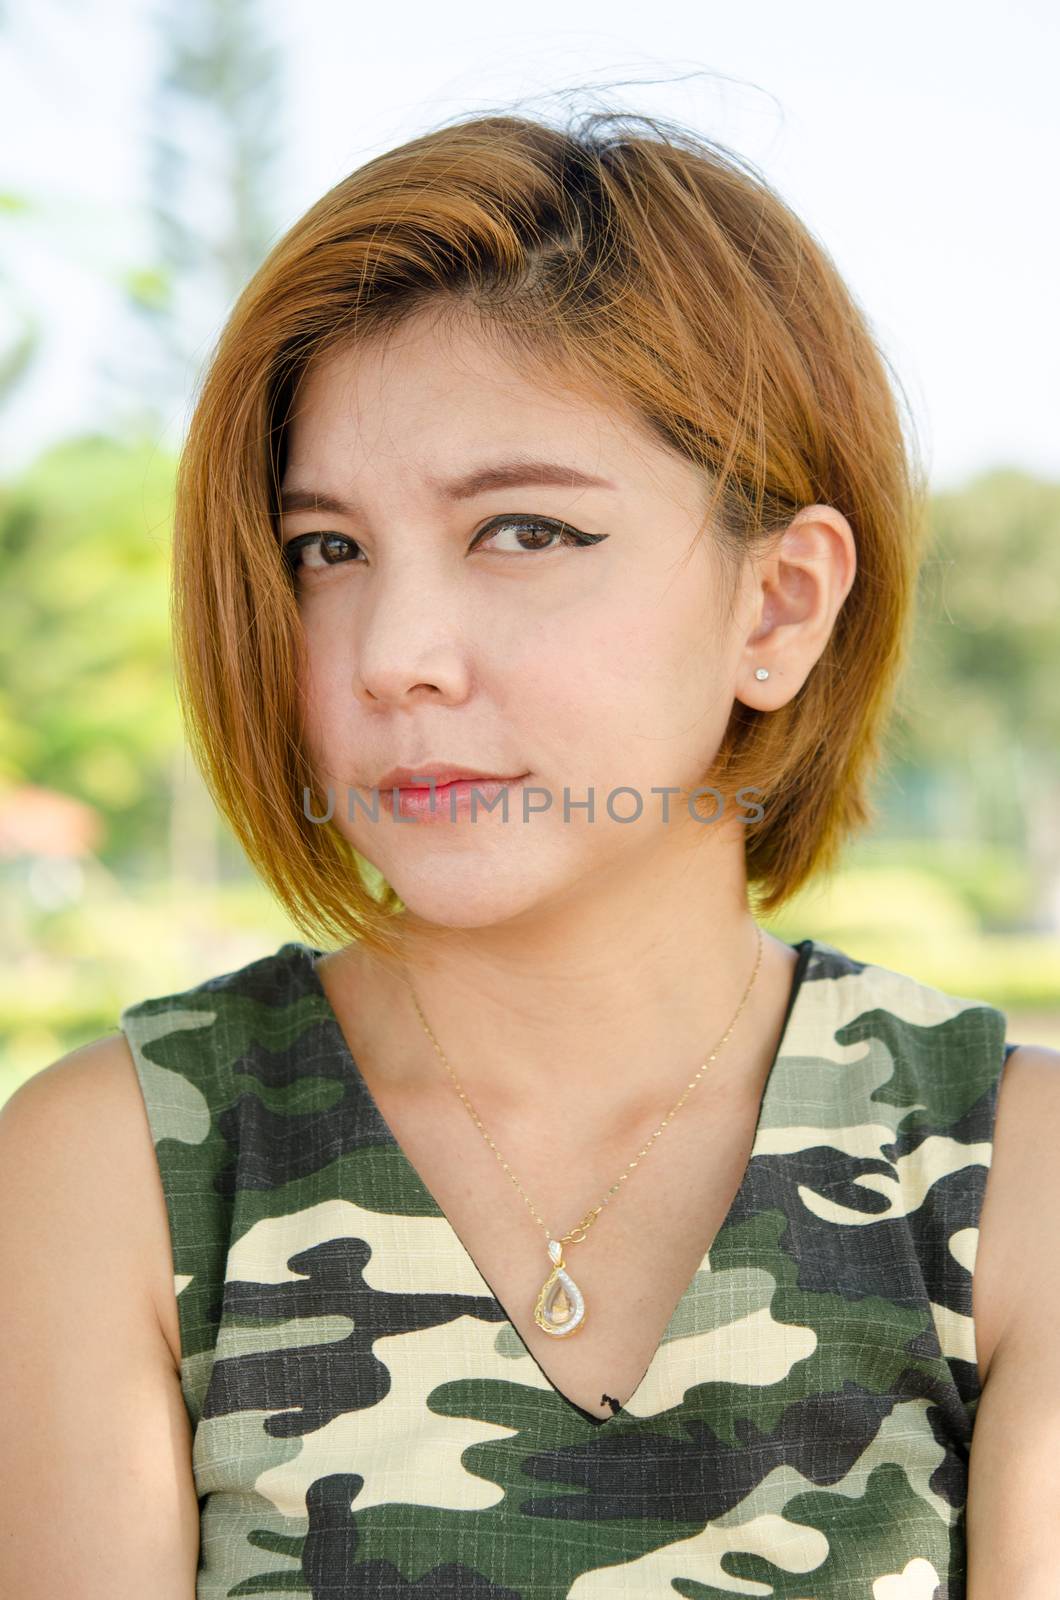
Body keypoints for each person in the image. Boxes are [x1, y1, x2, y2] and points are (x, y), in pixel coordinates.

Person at [1, 102, 1057, 1600]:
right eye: (328, 551)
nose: (395, 657)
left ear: (779, 606)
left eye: (525, 532)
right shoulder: (119, 1171)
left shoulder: (1016, 1188)